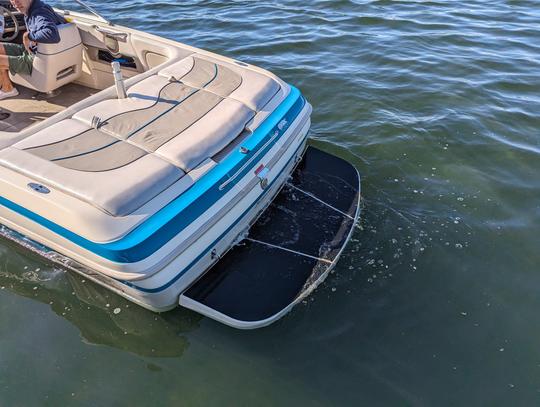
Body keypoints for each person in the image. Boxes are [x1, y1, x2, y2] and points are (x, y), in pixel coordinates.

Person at [0, 0, 65, 100]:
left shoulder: (38, 12)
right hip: (37, 52)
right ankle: (7, 88)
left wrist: (28, 36)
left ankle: (8, 89)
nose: (15, 2)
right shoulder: (36, 7)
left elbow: (52, 33)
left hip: (37, 59)